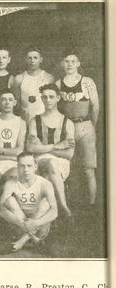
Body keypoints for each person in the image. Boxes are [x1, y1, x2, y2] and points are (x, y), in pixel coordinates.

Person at [56, 49, 99, 206]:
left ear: (78, 63)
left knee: (88, 169)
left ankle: (92, 205)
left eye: (73, 61)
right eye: (66, 61)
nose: (69, 64)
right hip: (68, 128)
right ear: (62, 63)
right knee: (68, 166)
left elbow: (95, 107)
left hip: (86, 126)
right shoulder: (58, 83)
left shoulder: (87, 81)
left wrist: (90, 126)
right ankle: (70, 203)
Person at [26, 84, 75, 216]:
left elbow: (69, 154)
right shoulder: (34, 121)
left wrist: (42, 147)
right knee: (50, 164)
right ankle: (63, 206)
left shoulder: (67, 122)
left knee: (48, 175)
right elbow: (30, 148)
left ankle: (44, 214)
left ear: (58, 98)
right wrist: (55, 146)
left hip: (62, 163)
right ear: (41, 99)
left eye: (51, 97)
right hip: (40, 161)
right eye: (45, 97)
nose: (48, 100)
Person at [0, 152, 58, 252]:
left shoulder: (45, 184)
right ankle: (34, 241)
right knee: (9, 200)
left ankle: (21, 242)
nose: (25, 170)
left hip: (39, 228)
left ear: (35, 166)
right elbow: (1, 210)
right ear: (17, 167)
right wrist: (22, 224)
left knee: (46, 203)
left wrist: (35, 223)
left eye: (29, 166)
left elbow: (54, 211)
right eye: (22, 166)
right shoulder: (11, 183)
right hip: (19, 226)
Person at [0, 91, 26, 186]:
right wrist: (12, 154)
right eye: (4, 99)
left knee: (12, 181)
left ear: (15, 102)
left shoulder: (21, 122)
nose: (7, 103)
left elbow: (19, 151)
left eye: (10, 100)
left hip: (13, 164)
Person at [12, 46, 54, 123]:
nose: (32, 61)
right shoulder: (19, 78)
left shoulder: (49, 78)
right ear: (25, 59)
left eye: (35, 58)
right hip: (25, 120)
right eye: (29, 58)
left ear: (41, 59)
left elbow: (52, 102)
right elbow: (16, 103)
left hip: (44, 120)